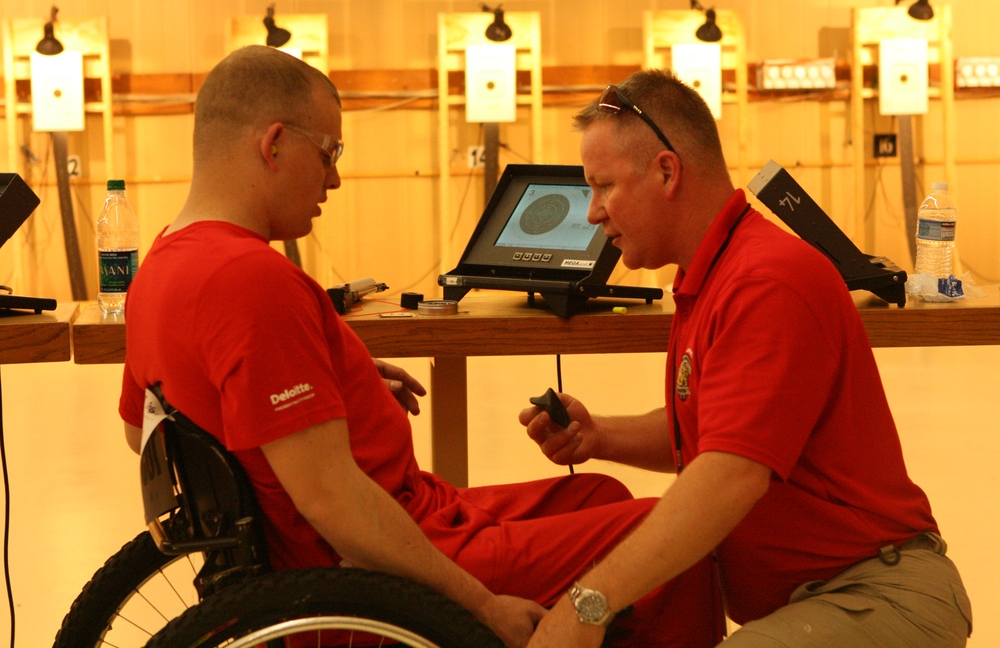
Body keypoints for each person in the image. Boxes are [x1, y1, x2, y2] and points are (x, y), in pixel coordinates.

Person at [117, 46, 724, 648]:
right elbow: (332, 500)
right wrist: (483, 607)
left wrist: (328, 396)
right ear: (273, 143)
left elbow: (148, 434)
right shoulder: (248, 278)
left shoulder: (161, 268)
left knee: (597, 494)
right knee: (666, 542)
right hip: (368, 563)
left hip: (393, 519)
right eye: (329, 152)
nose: (334, 177)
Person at [520, 68, 973, 648]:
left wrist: (586, 606)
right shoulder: (711, 277)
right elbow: (726, 432)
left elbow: (730, 475)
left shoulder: (765, 282)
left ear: (666, 171)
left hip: (877, 596)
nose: (592, 213)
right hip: (825, 598)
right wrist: (599, 437)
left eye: (604, 187)